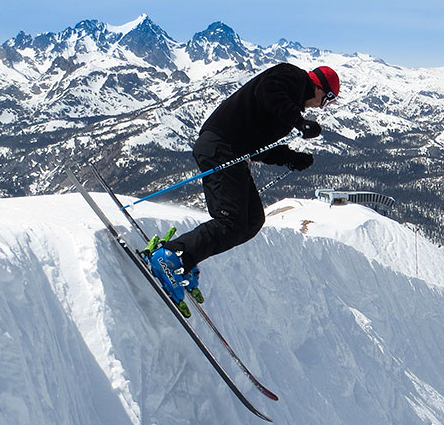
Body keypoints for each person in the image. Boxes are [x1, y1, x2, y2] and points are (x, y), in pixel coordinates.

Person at [145, 63, 340, 315]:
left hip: (230, 150)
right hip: (219, 146)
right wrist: (299, 122)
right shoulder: (290, 76)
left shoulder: (287, 102)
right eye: (326, 101)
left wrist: (290, 158)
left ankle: (186, 258)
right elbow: (268, 91)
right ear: (321, 89)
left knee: (251, 221)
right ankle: (170, 255)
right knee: (231, 220)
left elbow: (259, 144)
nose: (321, 106)